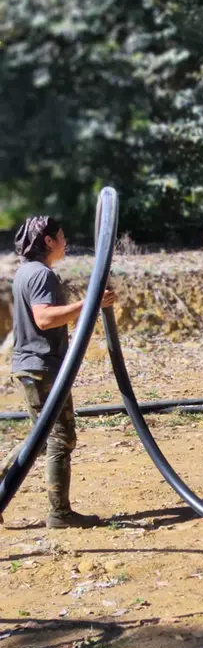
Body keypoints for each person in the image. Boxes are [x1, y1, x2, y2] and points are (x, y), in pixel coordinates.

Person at [0, 216, 115, 528]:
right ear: (48, 241)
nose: (65, 242)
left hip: (35, 366)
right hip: (42, 368)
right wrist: (89, 303)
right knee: (59, 438)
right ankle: (59, 514)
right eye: (61, 237)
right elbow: (45, 318)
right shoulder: (40, 274)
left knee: (43, 438)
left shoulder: (27, 272)